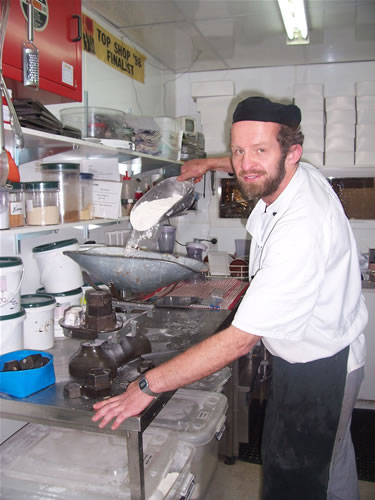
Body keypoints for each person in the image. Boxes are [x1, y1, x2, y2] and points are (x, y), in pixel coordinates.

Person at [92, 96, 367, 500]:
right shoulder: (299, 173)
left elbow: (240, 340)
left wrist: (147, 387)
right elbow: (249, 160)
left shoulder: (301, 228)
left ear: (292, 153)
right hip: (324, 351)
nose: (245, 163)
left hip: (320, 368)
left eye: (259, 150)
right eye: (239, 150)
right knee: (331, 462)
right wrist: (208, 164)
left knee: (297, 479)